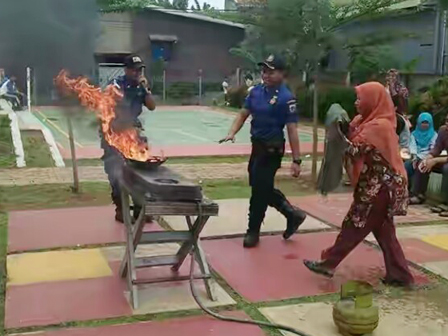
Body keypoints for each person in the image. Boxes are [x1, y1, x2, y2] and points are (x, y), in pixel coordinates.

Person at [304, 82, 414, 288]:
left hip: (380, 188)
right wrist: (343, 125)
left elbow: (354, 149)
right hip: (375, 184)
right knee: (385, 233)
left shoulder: (379, 126)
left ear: (372, 100)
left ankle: (328, 263)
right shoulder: (366, 121)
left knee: (354, 225)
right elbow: (353, 133)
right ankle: (400, 275)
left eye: (360, 99)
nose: (356, 103)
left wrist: (337, 132)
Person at [220, 54, 307, 248]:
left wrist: (296, 160)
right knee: (260, 186)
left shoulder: (286, 98)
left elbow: (292, 130)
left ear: (282, 73)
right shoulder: (256, 92)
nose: (266, 74)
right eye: (264, 70)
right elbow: (243, 114)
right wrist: (231, 132)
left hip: (272, 149)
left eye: (271, 71)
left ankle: (253, 231)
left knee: (259, 192)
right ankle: (292, 214)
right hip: (257, 146)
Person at [102, 54, 156, 223]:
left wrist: (146, 89)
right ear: (126, 70)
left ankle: (140, 210)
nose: (137, 73)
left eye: (140, 70)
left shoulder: (141, 86)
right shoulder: (117, 85)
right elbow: (111, 108)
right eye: (134, 70)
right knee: (116, 172)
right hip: (114, 133)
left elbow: (152, 106)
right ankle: (121, 210)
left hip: (133, 132)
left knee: (141, 169)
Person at [412, 115, 448, 216]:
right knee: (423, 163)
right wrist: (428, 157)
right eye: (446, 120)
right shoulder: (443, 131)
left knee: (447, 169)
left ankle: (445, 203)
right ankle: (419, 194)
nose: (447, 123)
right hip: (444, 159)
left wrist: (436, 160)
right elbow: (437, 148)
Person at [404, 112, 437, 204]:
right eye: (422, 122)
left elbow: (433, 148)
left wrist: (424, 158)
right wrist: (414, 157)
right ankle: (406, 192)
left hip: (428, 157)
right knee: (407, 165)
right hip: (416, 156)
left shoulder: (434, 135)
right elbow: (412, 146)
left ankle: (418, 195)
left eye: (427, 123)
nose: (424, 125)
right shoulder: (414, 134)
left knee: (421, 166)